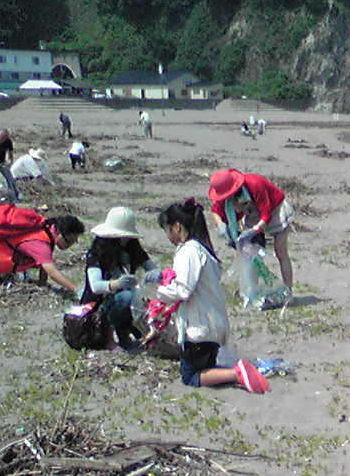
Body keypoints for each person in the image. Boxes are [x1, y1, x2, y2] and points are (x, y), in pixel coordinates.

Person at [154, 199, 269, 393]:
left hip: (200, 330)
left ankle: (237, 374)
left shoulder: (188, 251)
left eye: (167, 229)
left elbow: (183, 290)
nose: (167, 235)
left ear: (177, 226)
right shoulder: (204, 250)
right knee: (205, 367)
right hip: (214, 327)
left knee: (190, 376)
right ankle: (237, 371)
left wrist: (158, 292)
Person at [81, 207, 160, 351]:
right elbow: (95, 286)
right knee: (126, 297)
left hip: (126, 303)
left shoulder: (132, 248)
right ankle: (110, 338)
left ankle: (130, 334)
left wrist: (156, 274)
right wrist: (117, 284)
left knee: (140, 298)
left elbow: (152, 267)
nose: (124, 240)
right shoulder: (96, 253)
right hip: (97, 306)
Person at [208, 168, 296, 294]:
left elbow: (266, 215)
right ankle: (251, 289)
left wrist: (254, 230)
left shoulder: (255, 184)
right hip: (252, 214)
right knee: (250, 253)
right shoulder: (225, 197)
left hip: (275, 210)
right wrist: (221, 224)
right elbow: (215, 211)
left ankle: (288, 290)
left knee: (280, 252)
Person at [0, 212, 83, 294]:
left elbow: (44, 267)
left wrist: (42, 285)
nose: (70, 245)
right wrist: (78, 290)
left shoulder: (47, 229)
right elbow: (52, 272)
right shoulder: (40, 245)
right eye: (69, 241)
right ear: (60, 234)